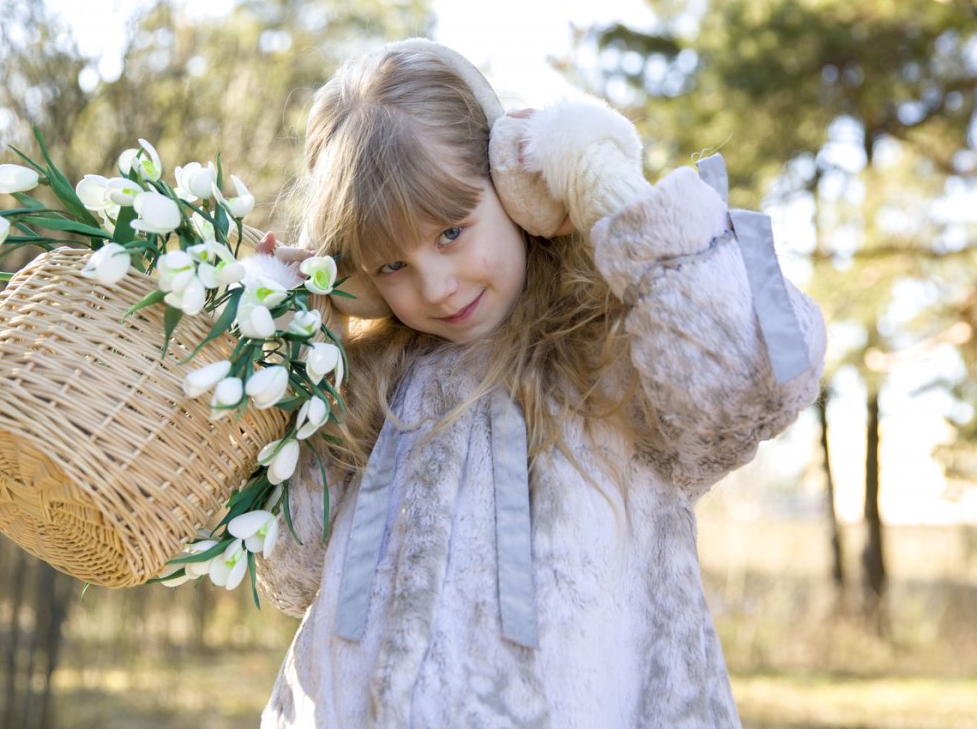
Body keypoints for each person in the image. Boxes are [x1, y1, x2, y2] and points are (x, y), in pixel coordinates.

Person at [253, 38, 826, 728]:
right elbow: (288, 573)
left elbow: (768, 372)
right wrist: (301, 344)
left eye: (451, 232)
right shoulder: (373, 387)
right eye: (390, 267)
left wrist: (609, 193)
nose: (436, 286)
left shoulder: (612, 345)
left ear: (516, 193)